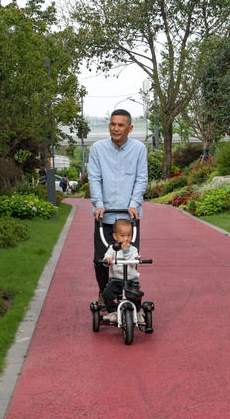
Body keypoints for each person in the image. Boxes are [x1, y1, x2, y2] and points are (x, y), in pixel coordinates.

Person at [88, 109, 148, 303]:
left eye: (120, 125)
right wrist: (98, 204)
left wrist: (134, 204)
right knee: (101, 260)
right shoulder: (97, 149)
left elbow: (141, 179)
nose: (116, 128)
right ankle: (104, 292)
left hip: (128, 217)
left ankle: (128, 294)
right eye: (113, 124)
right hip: (104, 216)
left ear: (129, 128)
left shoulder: (139, 149)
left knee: (129, 258)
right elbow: (95, 178)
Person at [101, 218, 144, 323]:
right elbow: (107, 258)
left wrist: (126, 250)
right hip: (116, 280)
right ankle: (112, 312)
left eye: (129, 235)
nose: (126, 239)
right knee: (107, 293)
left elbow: (133, 261)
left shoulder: (133, 249)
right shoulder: (112, 248)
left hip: (130, 280)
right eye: (123, 235)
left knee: (135, 295)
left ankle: (137, 312)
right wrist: (108, 260)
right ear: (115, 236)